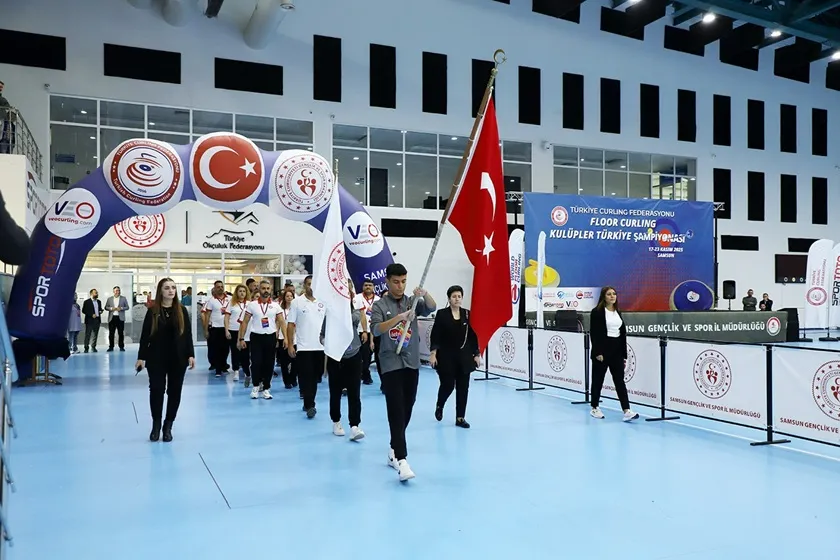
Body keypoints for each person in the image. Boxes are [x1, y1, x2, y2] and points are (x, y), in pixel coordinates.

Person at [370, 263, 436, 482]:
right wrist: (399, 318)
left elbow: (432, 306)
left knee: (408, 405)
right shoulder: (380, 305)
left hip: (411, 361)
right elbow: (376, 329)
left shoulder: (412, 301)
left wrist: (423, 294)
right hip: (390, 362)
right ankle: (402, 459)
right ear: (387, 281)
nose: (400, 286)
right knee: (395, 408)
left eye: (404, 281)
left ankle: (393, 447)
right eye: (396, 282)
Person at [136, 278, 196, 442]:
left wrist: (191, 354)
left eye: (173, 288)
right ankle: (155, 425)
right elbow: (145, 336)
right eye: (167, 288)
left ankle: (168, 425)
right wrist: (141, 357)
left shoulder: (181, 310)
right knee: (156, 390)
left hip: (178, 358)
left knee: (175, 392)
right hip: (156, 357)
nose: (171, 291)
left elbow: (187, 334)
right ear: (160, 291)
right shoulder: (153, 311)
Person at [429, 285, 481, 429]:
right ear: (449, 298)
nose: (457, 299)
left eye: (459, 296)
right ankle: (440, 405)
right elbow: (436, 335)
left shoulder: (467, 314)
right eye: (454, 296)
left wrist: (476, 354)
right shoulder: (442, 314)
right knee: (448, 385)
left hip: (464, 357)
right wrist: (433, 353)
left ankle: (460, 417)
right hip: (446, 356)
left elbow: (472, 336)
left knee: (463, 387)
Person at [322, 280, 367, 440]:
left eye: (347, 291)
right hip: (336, 356)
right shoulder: (330, 313)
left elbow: (355, 320)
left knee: (355, 392)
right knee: (335, 391)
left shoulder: (354, 311)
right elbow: (322, 336)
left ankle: (355, 425)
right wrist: (330, 343)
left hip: (354, 354)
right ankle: (336, 421)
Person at [588, 286, 639, 422]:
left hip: (616, 350)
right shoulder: (597, 312)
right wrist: (598, 352)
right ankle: (594, 407)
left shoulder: (618, 312)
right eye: (609, 294)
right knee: (598, 380)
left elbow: (622, 333)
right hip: (602, 350)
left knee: (619, 381)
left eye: (614, 294)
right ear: (603, 297)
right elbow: (594, 333)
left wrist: (623, 354)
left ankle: (627, 410)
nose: (612, 296)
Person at [238, 280, 286, 400]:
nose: (265, 291)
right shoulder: (252, 305)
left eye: (268, 289)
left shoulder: (275, 305)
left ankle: (266, 388)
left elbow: (282, 322)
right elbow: (245, 322)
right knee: (256, 362)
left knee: (269, 364)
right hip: (256, 337)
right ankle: (255, 386)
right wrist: (241, 338)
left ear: (270, 290)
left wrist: (286, 338)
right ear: (259, 289)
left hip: (270, 337)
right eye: (263, 288)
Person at [286, 275, 326, 418]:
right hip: (303, 347)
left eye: (313, 284)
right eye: (309, 284)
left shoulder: (323, 302)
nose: (311, 287)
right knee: (307, 376)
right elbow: (290, 324)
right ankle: (310, 405)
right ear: (304, 286)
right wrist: (291, 344)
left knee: (316, 377)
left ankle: (308, 402)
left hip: (320, 347)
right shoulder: (297, 302)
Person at [353, 280, 379, 385]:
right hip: (359, 330)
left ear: (374, 287)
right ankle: (362, 374)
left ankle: (365, 373)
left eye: (370, 285)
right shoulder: (357, 298)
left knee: (368, 355)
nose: (368, 287)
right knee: (358, 355)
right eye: (365, 285)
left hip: (372, 331)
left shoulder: (379, 300)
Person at [203, 282, 230, 377]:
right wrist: (206, 329)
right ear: (214, 288)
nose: (220, 288)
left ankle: (223, 365)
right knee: (216, 349)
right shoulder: (211, 301)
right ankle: (218, 369)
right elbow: (207, 315)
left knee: (225, 349)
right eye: (218, 287)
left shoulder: (229, 299)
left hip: (226, 328)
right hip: (215, 328)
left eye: (222, 287)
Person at [224, 284, 249, 383]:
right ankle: (236, 371)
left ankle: (247, 371)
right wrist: (226, 330)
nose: (242, 293)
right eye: (240, 291)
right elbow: (226, 317)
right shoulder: (231, 303)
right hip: (234, 330)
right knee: (235, 351)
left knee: (245, 352)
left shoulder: (250, 304)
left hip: (246, 332)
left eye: (244, 291)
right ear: (236, 293)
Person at [277, 288, 297, 389]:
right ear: (284, 298)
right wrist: (276, 337)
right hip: (282, 338)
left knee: (295, 361)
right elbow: (278, 324)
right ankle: (286, 381)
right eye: (287, 296)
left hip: (295, 339)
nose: (289, 298)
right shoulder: (280, 310)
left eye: (291, 296)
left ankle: (293, 379)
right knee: (284, 362)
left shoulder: (296, 309)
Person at [105, 286, 128, 351]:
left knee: (121, 333)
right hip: (112, 318)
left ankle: (121, 346)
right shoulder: (109, 299)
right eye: (116, 291)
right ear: (113, 291)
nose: (117, 292)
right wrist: (112, 308)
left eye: (118, 290)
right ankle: (111, 346)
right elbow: (106, 307)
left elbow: (127, 307)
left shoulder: (123, 298)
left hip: (120, 318)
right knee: (111, 333)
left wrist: (121, 308)